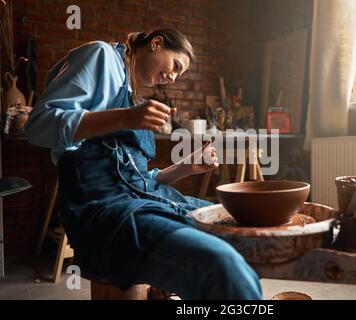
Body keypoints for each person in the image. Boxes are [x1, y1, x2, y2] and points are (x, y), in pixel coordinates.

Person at [24, 28, 262, 300]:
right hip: (102, 208)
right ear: (156, 43)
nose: (172, 78)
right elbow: (38, 126)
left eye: (179, 75)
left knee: (242, 222)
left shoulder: (132, 93)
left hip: (140, 198)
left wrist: (186, 166)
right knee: (224, 266)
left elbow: (135, 180)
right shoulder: (101, 56)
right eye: (175, 66)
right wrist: (126, 118)